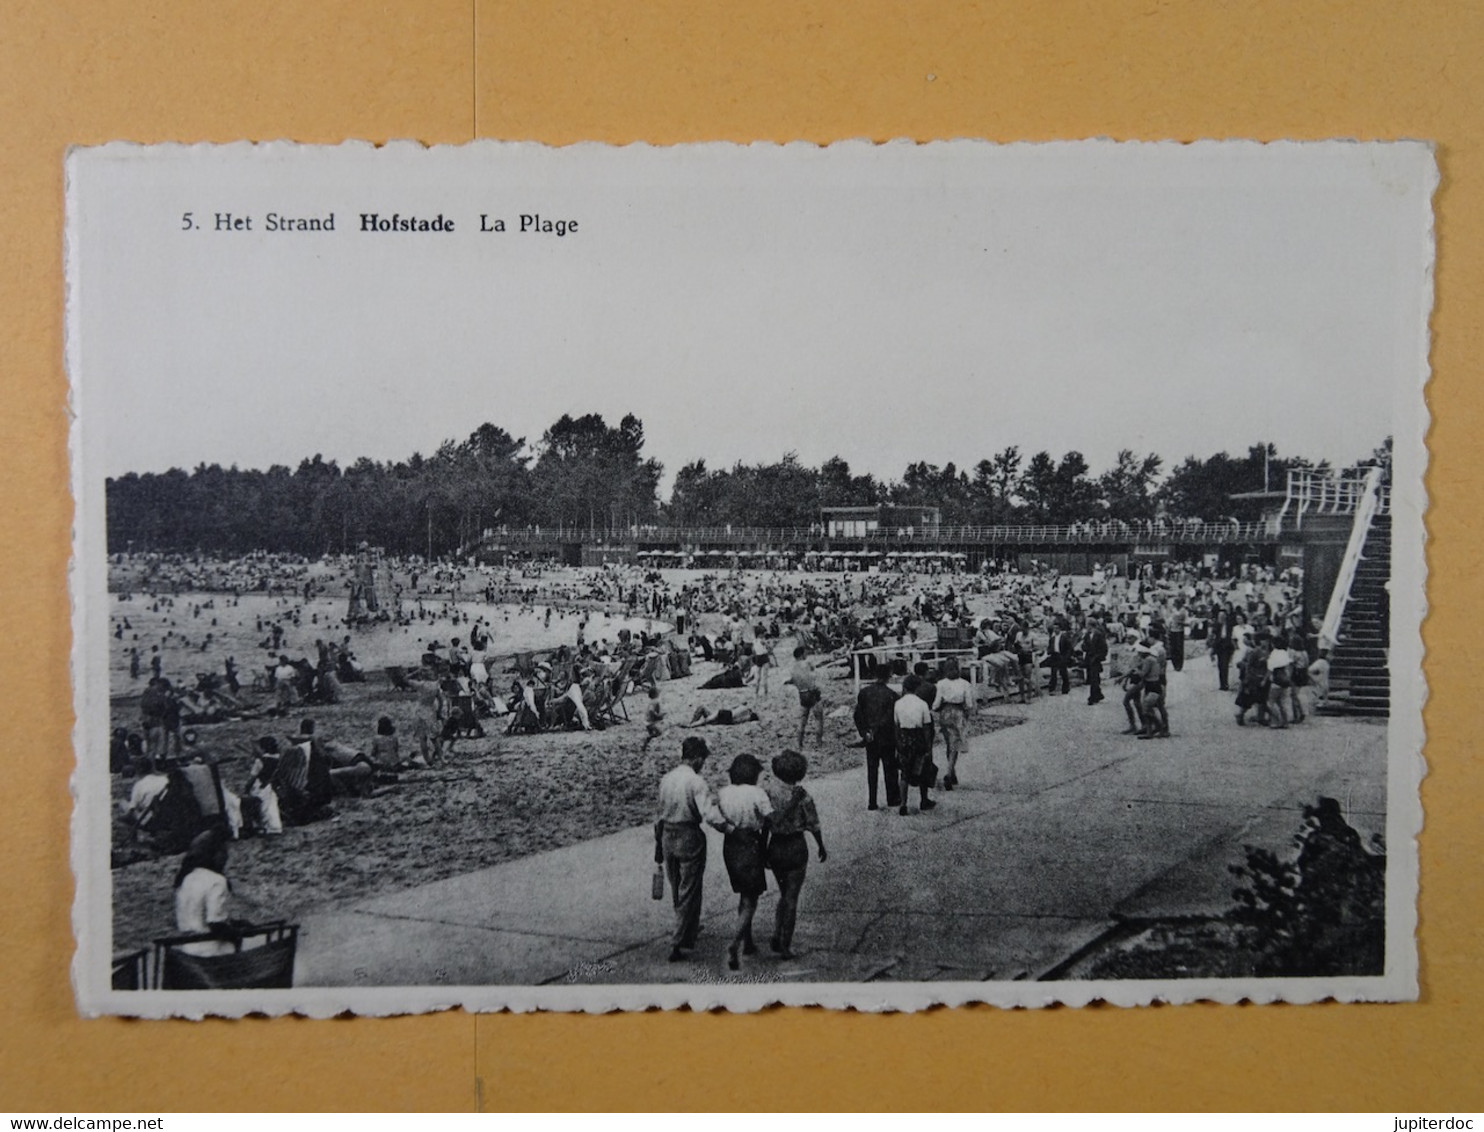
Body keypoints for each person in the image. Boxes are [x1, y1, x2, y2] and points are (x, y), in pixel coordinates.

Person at [654, 737, 734, 961]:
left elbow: (658, 813)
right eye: (703, 760)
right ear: (697, 758)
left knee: (676, 885)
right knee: (689, 887)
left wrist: (657, 844)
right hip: (689, 835)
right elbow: (709, 815)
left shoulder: (667, 779)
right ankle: (678, 940)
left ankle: (688, 928)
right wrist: (729, 828)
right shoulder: (696, 782)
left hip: (667, 834)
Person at [763, 750, 826, 960]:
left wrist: (764, 850)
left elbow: (765, 824)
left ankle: (775, 933)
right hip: (795, 846)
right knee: (792, 897)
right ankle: (785, 945)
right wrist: (820, 845)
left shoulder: (769, 792)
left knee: (783, 893)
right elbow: (814, 824)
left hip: (775, 846)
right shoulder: (802, 795)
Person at [718, 753, 772, 971]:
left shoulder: (724, 793)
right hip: (751, 843)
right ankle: (735, 943)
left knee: (744, 892)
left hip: (730, 844)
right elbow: (769, 818)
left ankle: (748, 941)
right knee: (751, 898)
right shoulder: (757, 793)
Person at [172, 828, 237, 956]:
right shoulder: (217, 881)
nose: (226, 857)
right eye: (224, 852)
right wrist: (235, 932)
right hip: (214, 950)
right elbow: (215, 922)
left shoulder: (186, 879)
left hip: (189, 950)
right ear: (214, 854)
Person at [853, 666, 900, 810]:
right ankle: (892, 798)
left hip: (870, 737)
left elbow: (857, 715)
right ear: (889, 676)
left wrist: (865, 732)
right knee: (890, 768)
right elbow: (891, 718)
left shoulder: (864, 693)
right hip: (887, 736)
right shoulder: (892, 695)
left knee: (872, 769)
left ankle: (872, 800)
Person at [893, 680, 936, 815]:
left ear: (904, 688)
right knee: (922, 769)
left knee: (904, 772)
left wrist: (898, 742)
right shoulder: (922, 703)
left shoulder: (898, 703)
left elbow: (896, 724)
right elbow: (927, 727)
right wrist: (928, 746)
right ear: (916, 689)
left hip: (904, 737)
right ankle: (924, 800)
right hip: (918, 736)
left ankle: (903, 804)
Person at [932, 657, 974, 790]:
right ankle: (949, 773)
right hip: (958, 713)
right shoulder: (965, 684)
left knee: (950, 744)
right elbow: (969, 703)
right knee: (955, 744)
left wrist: (935, 709)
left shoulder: (941, 683)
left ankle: (952, 772)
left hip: (945, 713)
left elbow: (936, 703)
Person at [785, 646, 825, 749]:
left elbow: (793, 680)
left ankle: (799, 744)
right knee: (818, 719)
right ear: (802, 654)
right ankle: (819, 743)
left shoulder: (792, 667)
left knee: (802, 720)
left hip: (802, 694)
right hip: (812, 693)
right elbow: (813, 673)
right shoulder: (808, 663)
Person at [1082, 613, 1108, 705]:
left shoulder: (1099, 635)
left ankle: (1092, 697)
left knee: (1094, 678)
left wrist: (1099, 657)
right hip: (1089, 658)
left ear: (1090, 625)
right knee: (1094, 678)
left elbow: (1104, 648)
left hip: (1096, 659)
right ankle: (1098, 694)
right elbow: (1084, 646)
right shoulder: (1087, 635)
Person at [641, 685, 665, 752]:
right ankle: (647, 740)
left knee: (652, 734)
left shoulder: (651, 701)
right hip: (650, 722)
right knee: (659, 733)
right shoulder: (656, 701)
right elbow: (651, 710)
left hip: (647, 722)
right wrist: (657, 716)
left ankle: (644, 746)